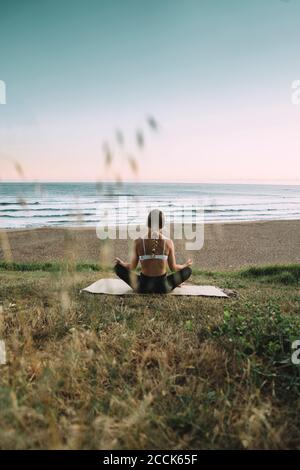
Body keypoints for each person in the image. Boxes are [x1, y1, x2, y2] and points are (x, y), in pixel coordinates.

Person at [114, 209, 192, 293]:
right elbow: (173, 268)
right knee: (188, 270)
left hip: (142, 287)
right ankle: (171, 283)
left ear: (147, 223)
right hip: (163, 287)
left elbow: (132, 267)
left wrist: (122, 264)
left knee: (117, 268)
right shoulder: (169, 243)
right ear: (162, 225)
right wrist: (185, 265)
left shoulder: (138, 242)